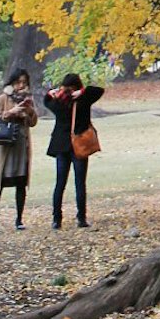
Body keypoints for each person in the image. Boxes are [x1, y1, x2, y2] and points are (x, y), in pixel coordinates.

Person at [42, 70, 105, 229]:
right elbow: (97, 90)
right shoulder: (84, 100)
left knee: (60, 183)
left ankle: (57, 219)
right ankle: (81, 218)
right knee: (79, 183)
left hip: (62, 146)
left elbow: (46, 100)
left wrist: (52, 93)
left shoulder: (58, 103)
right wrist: (82, 92)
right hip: (79, 145)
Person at [0, 71, 38, 232]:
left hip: (22, 145)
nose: (21, 85)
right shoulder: (2, 99)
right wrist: (11, 112)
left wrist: (28, 112)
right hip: (6, 147)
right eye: (18, 82)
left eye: (24, 82)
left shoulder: (28, 100)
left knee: (21, 183)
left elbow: (33, 122)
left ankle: (19, 219)